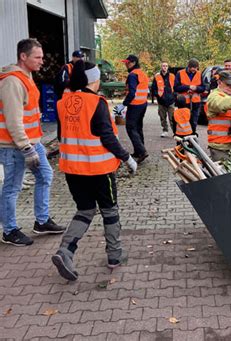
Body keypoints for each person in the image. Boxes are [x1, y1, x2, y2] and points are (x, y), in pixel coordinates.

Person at [52, 60, 137, 281]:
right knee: (109, 211)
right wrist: (127, 157)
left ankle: (65, 251)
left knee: (85, 211)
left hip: (73, 170)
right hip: (99, 170)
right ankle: (115, 257)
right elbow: (107, 137)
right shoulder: (96, 103)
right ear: (94, 79)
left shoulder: (63, 102)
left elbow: (63, 135)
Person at [0, 38, 66, 246]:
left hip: (30, 142)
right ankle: (9, 230)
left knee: (45, 175)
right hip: (15, 146)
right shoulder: (12, 81)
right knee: (12, 187)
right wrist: (27, 147)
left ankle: (42, 221)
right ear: (23, 56)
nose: (42, 61)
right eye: (37, 57)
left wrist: (35, 143)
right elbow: (13, 120)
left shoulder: (26, 76)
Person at [118, 55, 149, 164]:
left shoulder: (132, 75)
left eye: (128, 63)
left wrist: (123, 104)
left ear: (134, 62)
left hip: (135, 105)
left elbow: (132, 93)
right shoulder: (141, 73)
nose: (126, 64)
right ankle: (138, 151)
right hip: (143, 104)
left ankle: (142, 151)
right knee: (138, 127)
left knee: (130, 128)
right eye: (126, 62)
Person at [174, 58, 205, 131]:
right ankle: (184, 136)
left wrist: (196, 88)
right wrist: (188, 87)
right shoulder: (180, 73)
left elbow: (203, 88)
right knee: (184, 121)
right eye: (193, 68)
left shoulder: (199, 74)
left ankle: (193, 135)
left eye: (196, 68)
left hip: (196, 102)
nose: (194, 70)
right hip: (183, 103)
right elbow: (176, 88)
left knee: (194, 121)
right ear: (188, 66)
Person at [151, 61, 175, 137]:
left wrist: (174, 96)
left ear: (168, 67)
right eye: (163, 66)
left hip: (171, 101)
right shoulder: (157, 76)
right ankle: (165, 130)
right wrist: (157, 96)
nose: (164, 67)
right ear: (161, 67)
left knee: (172, 118)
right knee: (162, 117)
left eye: (166, 66)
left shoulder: (172, 76)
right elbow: (153, 88)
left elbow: (176, 87)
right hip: (161, 101)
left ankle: (175, 132)